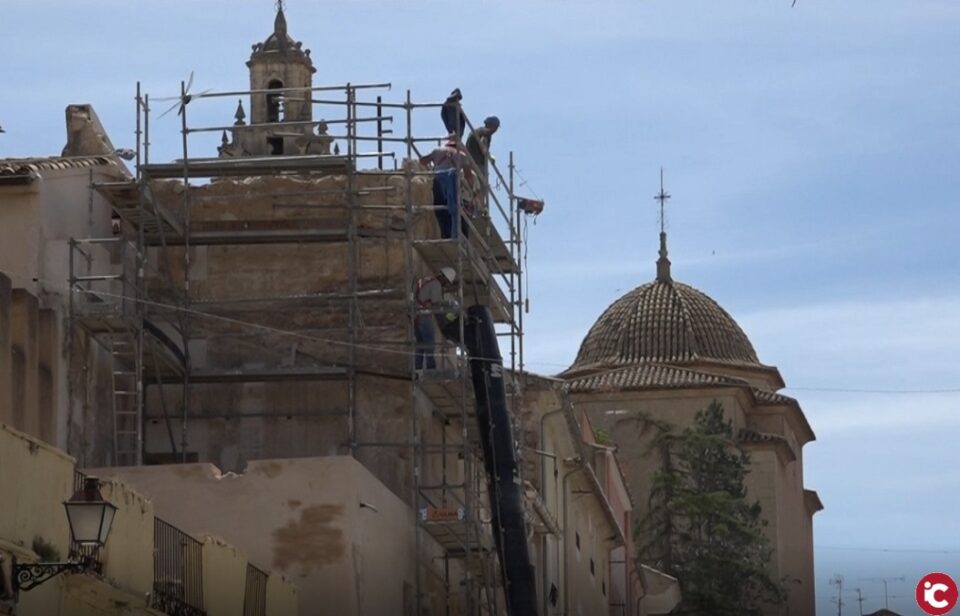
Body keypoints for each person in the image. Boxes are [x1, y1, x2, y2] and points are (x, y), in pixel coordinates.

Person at [420, 138, 475, 239]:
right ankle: (455, 236)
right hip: (453, 184)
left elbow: (422, 161)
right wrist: (471, 190)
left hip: (438, 182)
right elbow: (468, 175)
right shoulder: (462, 155)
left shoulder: (437, 150)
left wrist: (432, 165)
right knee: (454, 210)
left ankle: (445, 235)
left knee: (440, 210)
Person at [414, 267, 457, 370]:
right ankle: (430, 368)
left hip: (416, 315)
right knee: (429, 343)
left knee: (420, 344)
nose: (445, 284)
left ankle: (418, 368)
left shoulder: (429, 281)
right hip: (424, 315)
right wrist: (447, 319)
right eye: (446, 282)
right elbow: (436, 305)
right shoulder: (436, 285)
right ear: (444, 278)